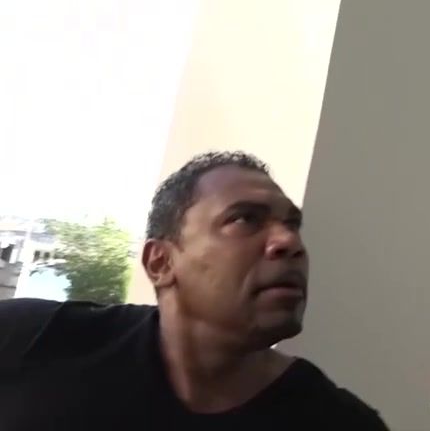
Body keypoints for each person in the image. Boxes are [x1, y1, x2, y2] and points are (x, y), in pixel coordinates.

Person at [0, 151, 390, 430]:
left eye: (292, 224)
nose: (289, 242)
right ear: (160, 263)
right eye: (245, 219)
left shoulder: (341, 422)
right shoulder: (30, 340)